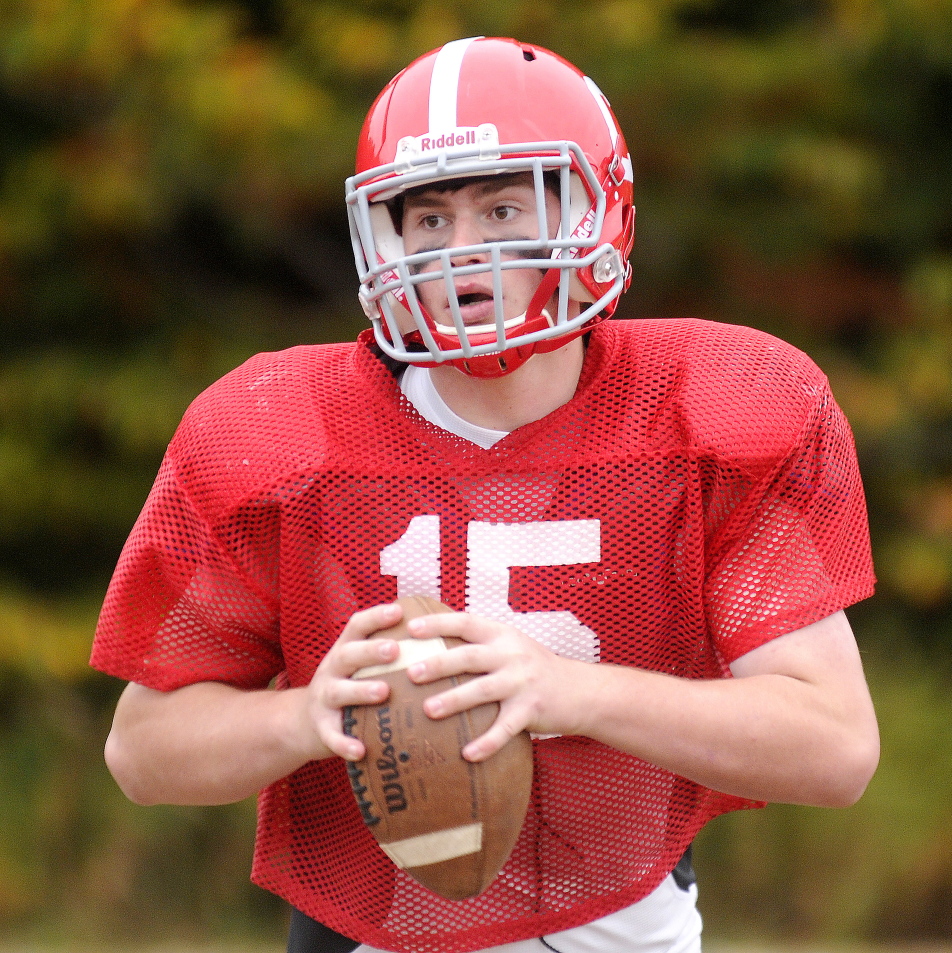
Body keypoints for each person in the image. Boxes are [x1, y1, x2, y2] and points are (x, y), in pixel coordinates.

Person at [92, 36, 880, 953]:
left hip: (626, 922)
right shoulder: (279, 434)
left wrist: (567, 692)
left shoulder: (708, 411)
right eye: (427, 220)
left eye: (501, 209)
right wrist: (302, 714)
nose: (459, 253)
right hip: (373, 935)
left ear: (594, 213)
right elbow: (141, 752)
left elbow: (834, 746)